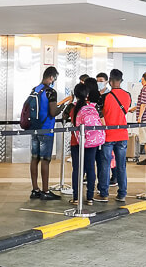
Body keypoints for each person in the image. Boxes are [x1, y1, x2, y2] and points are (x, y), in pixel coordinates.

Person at [95, 69, 131, 203]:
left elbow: (101, 114)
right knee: (121, 165)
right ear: (121, 81)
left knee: (105, 164)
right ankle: (122, 193)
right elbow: (125, 111)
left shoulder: (105, 97)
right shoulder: (127, 96)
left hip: (108, 135)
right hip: (122, 134)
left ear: (110, 81)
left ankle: (103, 193)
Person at [29, 66, 64, 201]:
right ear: (51, 77)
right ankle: (45, 191)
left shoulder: (35, 90)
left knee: (34, 158)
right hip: (46, 130)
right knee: (45, 160)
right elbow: (53, 112)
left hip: (35, 129)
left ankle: (35, 189)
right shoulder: (51, 92)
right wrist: (62, 107)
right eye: (54, 78)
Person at [68, 83, 102, 205]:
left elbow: (64, 117)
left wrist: (70, 101)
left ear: (75, 94)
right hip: (91, 141)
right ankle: (90, 198)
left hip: (76, 141)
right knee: (90, 167)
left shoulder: (72, 108)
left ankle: (76, 197)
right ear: (87, 95)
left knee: (77, 169)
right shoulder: (92, 107)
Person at [131, 72, 146, 166]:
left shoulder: (145, 89)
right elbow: (142, 103)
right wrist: (133, 109)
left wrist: (140, 117)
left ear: (143, 79)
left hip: (145, 119)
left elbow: (143, 104)